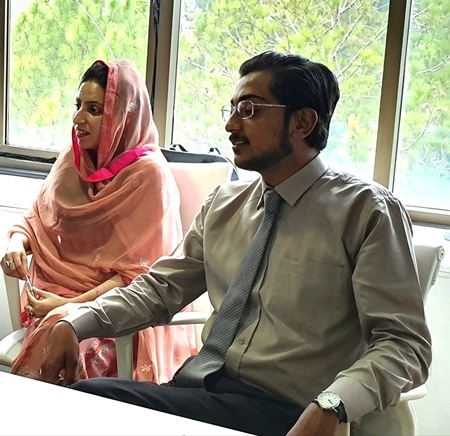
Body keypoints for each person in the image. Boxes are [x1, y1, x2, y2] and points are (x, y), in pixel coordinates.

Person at [36, 51, 431, 435]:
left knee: (91, 404)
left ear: (303, 122)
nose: (230, 125)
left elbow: (405, 345)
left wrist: (333, 404)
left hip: (291, 414)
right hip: (202, 392)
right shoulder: (225, 204)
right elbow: (160, 290)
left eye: (249, 110)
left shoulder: (365, 211)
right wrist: (76, 322)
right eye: (231, 110)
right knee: (81, 404)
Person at [2, 60, 197, 383]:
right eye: (78, 105)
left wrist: (69, 304)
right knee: (58, 333)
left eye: (94, 110)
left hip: (120, 311)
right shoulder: (73, 159)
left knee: (70, 343)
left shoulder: (149, 177)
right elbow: (37, 218)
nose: (78, 119)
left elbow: (140, 277)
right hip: (53, 297)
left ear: (124, 117)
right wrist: (15, 244)